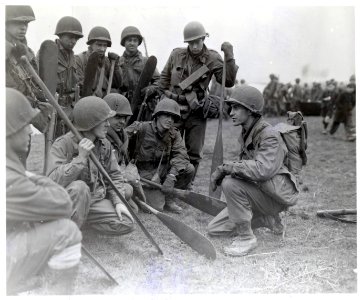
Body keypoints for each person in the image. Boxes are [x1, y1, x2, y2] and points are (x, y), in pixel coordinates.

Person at [6, 88, 82, 295]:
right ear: (8, 130)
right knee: (67, 232)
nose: (31, 131)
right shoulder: (8, 177)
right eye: (24, 126)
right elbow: (63, 203)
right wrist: (31, 176)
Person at [208, 85, 299, 256]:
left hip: (275, 197)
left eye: (236, 107)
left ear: (250, 110)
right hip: (261, 192)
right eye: (231, 107)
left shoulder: (269, 135)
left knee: (230, 184)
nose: (231, 112)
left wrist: (226, 168)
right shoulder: (248, 132)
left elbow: (262, 170)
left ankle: (246, 238)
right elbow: (247, 168)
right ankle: (265, 219)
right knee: (215, 228)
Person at [158, 21, 238, 185]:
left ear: (203, 39)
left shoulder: (213, 58)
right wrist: (163, 101)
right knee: (169, 148)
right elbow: (164, 80)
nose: (194, 46)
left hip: (197, 111)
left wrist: (229, 56)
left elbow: (228, 81)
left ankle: (186, 185)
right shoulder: (176, 55)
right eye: (191, 42)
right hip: (175, 111)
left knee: (193, 152)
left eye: (198, 41)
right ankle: (165, 182)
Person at [47, 96, 135, 235]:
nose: (108, 124)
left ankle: (80, 223)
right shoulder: (64, 143)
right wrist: (80, 158)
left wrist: (119, 202)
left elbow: (114, 175)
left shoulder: (104, 144)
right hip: (67, 203)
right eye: (104, 121)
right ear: (90, 123)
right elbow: (51, 182)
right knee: (80, 187)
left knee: (126, 222)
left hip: (93, 201)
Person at [126, 98, 195, 213]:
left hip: (163, 171)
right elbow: (120, 139)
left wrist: (172, 176)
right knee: (155, 207)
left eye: (173, 118)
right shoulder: (140, 128)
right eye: (167, 115)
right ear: (157, 115)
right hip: (142, 173)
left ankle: (169, 199)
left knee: (189, 169)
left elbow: (181, 155)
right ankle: (138, 195)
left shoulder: (174, 134)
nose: (170, 120)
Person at [5, 5, 53, 165]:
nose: (23, 27)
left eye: (26, 24)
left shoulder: (29, 52)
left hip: (23, 116)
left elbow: (35, 83)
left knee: (21, 160)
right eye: (17, 23)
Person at [118, 26, 161, 122]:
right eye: (129, 40)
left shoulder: (146, 62)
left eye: (135, 40)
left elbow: (159, 81)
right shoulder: (118, 62)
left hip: (143, 106)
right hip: (124, 105)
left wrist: (151, 89)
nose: (132, 43)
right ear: (124, 42)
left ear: (138, 43)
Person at [52, 16, 84, 138]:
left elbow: (76, 80)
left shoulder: (72, 56)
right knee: (56, 145)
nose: (74, 41)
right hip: (56, 108)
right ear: (60, 35)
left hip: (71, 108)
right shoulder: (48, 52)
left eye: (76, 38)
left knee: (70, 145)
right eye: (71, 37)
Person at [75, 26, 121, 97]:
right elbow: (79, 84)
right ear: (91, 44)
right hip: (86, 100)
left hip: (104, 100)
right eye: (99, 45)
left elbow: (116, 84)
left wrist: (116, 66)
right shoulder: (80, 59)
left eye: (105, 45)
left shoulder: (108, 62)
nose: (102, 49)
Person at [104, 93, 133, 165]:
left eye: (124, 117)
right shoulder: (100, 138)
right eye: (118, 117)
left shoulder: (123, 137)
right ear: (106, 116)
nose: (122, 122)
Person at [329, 75, 356, 141]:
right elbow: (337, 102)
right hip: (340, 112)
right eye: (350, 88)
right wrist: (341, 108)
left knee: (348, 124)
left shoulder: (352, 95)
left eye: (353, 89)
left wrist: (350, 108)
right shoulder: (342, 94)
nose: (352, 90)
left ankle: (350, 136)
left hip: (348, 112)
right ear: (347, 88)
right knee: (336, 123)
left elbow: (354, 103)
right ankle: (331, 132)